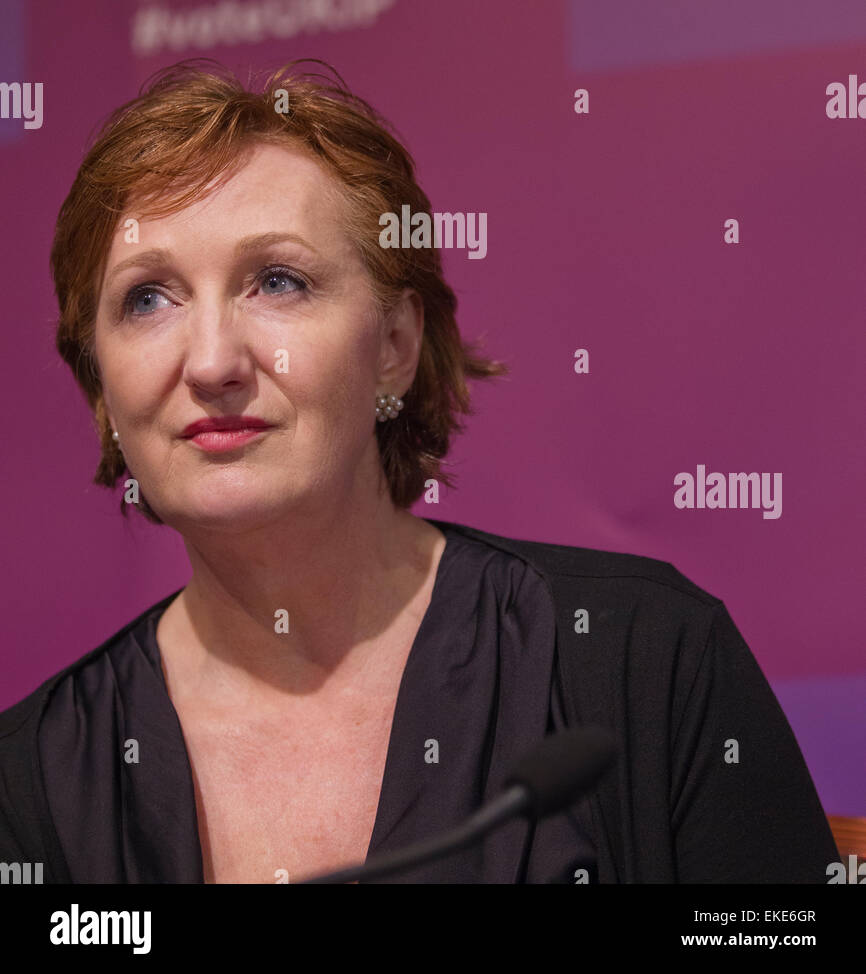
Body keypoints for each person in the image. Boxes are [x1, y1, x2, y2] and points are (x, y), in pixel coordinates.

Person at [0, 61, 839, 884]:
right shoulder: (28, 784)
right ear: (102, 385)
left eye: (278, 281)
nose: (213, 361)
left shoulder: (642, 659)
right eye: (148, 298)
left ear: (395, 347)